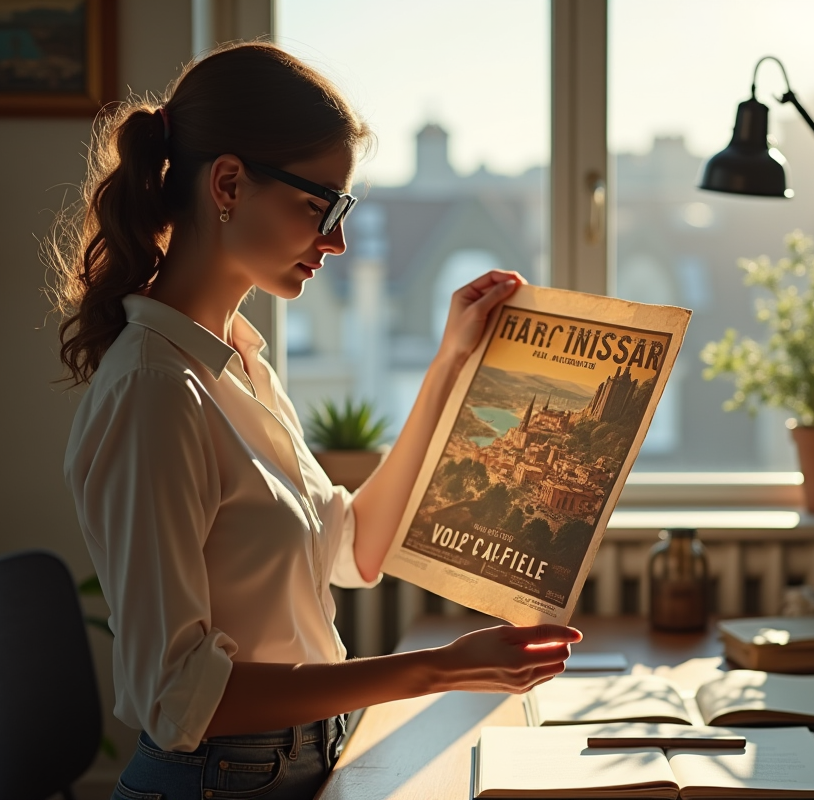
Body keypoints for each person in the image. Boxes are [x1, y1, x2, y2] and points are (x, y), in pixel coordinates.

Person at [50, 42, 580, 800]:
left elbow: (354, 551)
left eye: (343, 211)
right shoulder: (156, 390)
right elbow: (179, 699)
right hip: (216, 782)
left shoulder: (240, 364)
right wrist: (439, 669)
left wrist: (449, 368)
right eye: (318, 205)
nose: (334, 241)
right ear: (228, 184)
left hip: (290, 767)